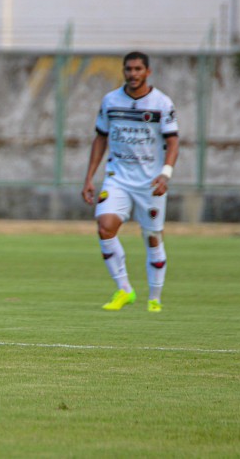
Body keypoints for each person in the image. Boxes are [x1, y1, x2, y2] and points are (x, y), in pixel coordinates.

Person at [81, 51, 179, 313]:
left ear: (148, 72)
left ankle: (154, 298)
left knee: (152, 237)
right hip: (117, 179)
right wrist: (90, 177)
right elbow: (100, 138)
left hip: (150, 182)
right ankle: (124, 289)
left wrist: (166, 173)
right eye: (128, 69)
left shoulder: (161, 103)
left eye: (138, 69)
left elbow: (172, 141)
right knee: (105, 227)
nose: (133, 74)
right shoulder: (111, 101)